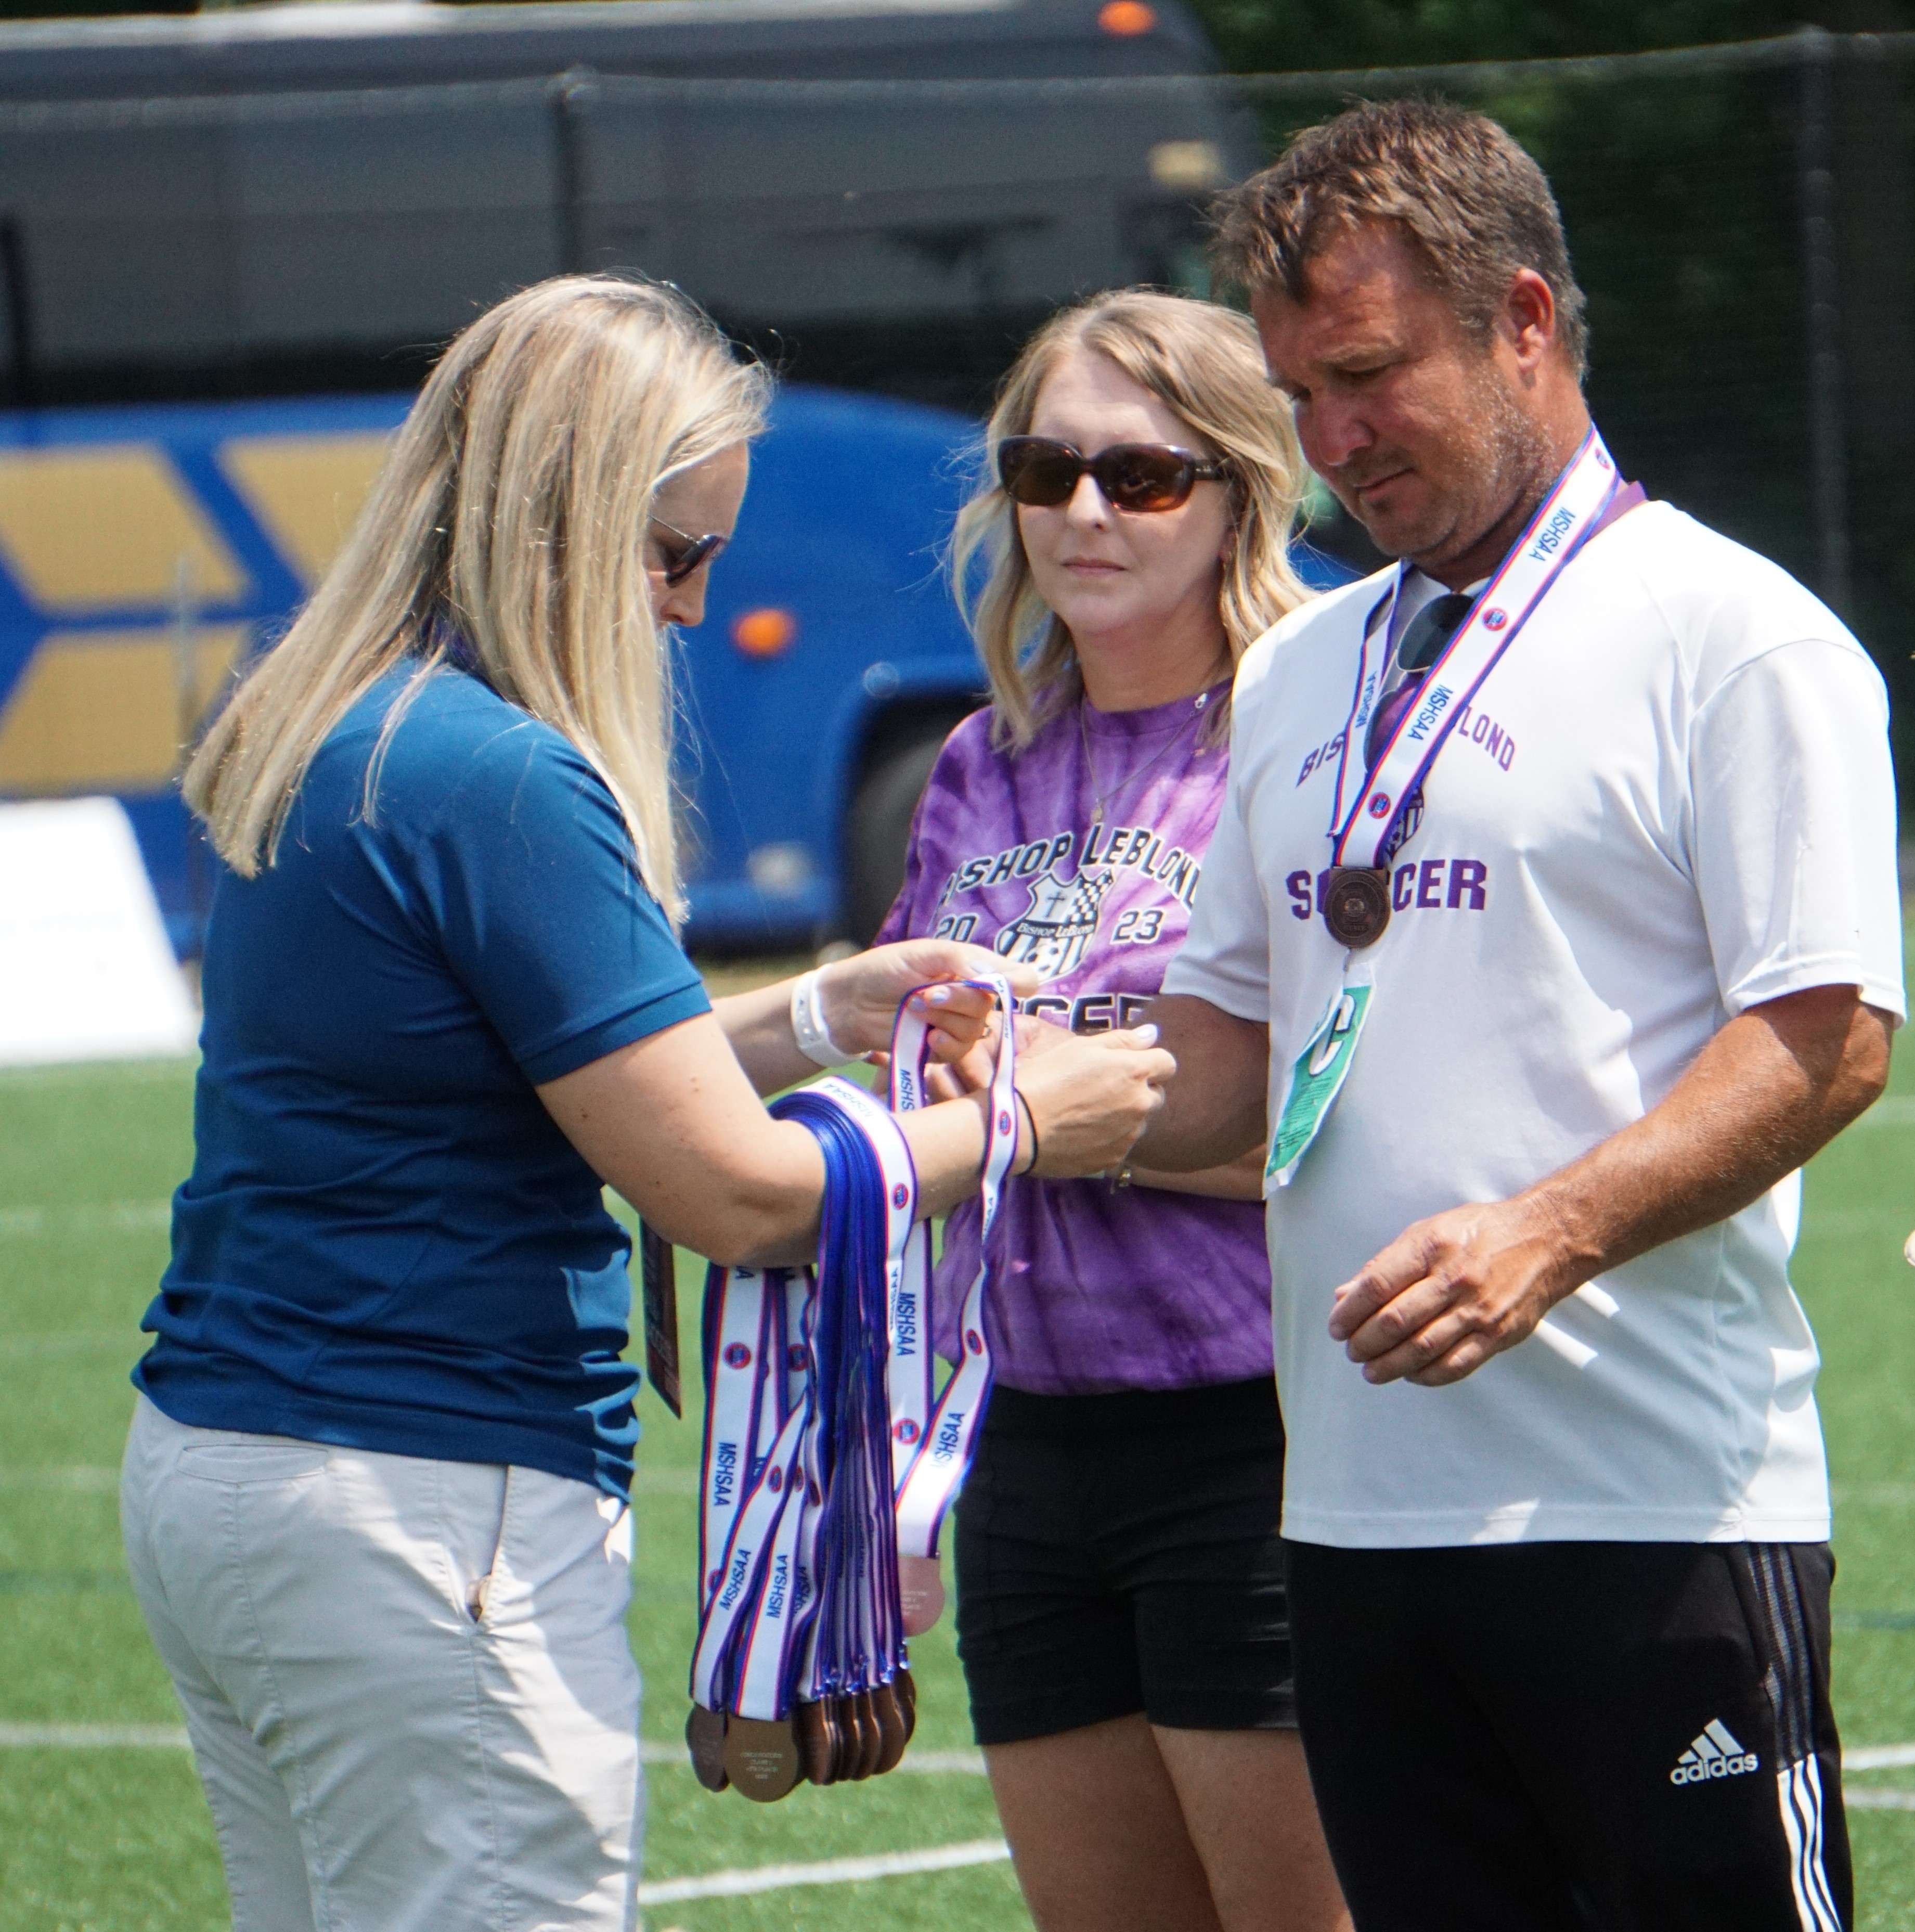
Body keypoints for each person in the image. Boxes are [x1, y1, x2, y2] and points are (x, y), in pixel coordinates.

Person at [117, 274, 1175, 1932]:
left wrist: (825, 1007)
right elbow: (733, 1193)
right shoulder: (503, 773)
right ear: (558, 520)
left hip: (230, 1462)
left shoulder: (337, 716)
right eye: (674, 554)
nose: (688, 608)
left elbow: (534, 1066)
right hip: (421, 1483)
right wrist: (1038, 1118)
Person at [1136, 102, 1902, 1931]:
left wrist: (1546, 1234)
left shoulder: (1736, 635)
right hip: (1356, 1521)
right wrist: (1009, 1089)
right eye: (1297, 390)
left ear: (1526, 320)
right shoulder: (1299, 669)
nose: (1328, 440)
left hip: (1651, 1512)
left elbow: (1826, 1031)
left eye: (1369, 374)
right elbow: (1228, 1060)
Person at [877, 289, 1350, 1932]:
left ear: (1239, 492)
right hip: (1019, 1448)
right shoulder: (978, 762)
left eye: (1141, 475)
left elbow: (1361, 1111)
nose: (1082, 509)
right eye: (1045, 467)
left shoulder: (1308, 740)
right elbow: (919, 1088)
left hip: (1258, 1439)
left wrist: (1073, 1115)